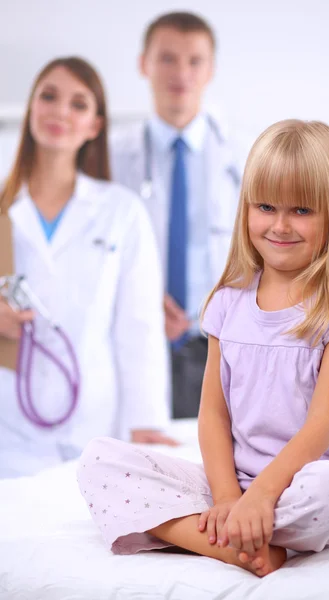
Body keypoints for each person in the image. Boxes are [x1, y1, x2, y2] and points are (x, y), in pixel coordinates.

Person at [78, 119, 329, 577]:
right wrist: (227, 498)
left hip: (305, 480)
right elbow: (214, 415)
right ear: (245, 210)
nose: (280, 225)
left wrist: (263, 496)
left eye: (301, 210)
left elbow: (321, 426)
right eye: (265, 206)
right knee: (98, 461)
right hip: (235, 486)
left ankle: (205, 535)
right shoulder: (227, 302)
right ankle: (241, 543)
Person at [0, 57, 177, 479]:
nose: (60, 111)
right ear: (31, 111)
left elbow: (139, 325)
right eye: (48, 96)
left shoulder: (122, 211)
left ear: (95, 126)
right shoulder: (5, 210)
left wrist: (147, 419)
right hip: (9, 422)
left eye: (78, 104)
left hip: (95, 421)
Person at [111, 12, 246, 418]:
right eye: (167, 58)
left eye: (194, 60)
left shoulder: (244, 156)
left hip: (221, 342)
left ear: (211, 69)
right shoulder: (112, 157)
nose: (181, 73)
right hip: (135, 337)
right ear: (144, 64)